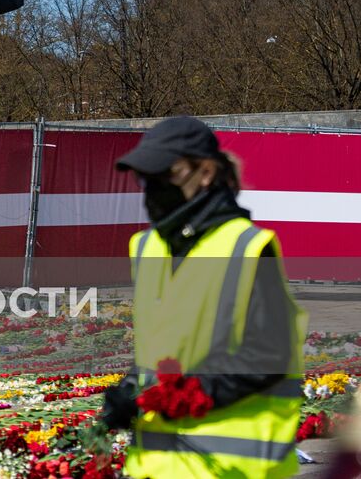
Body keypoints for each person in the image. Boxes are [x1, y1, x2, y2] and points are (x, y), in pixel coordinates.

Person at [100, 115, 307, 479]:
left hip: (235, 467)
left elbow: (269, 357)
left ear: (206, 173)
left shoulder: (246, 246)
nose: (152, 188)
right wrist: (132, 390)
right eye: (145, 178)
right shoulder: (149, 247)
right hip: (163, 466)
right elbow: (165, 349)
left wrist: (178, 396)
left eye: (166, 175)